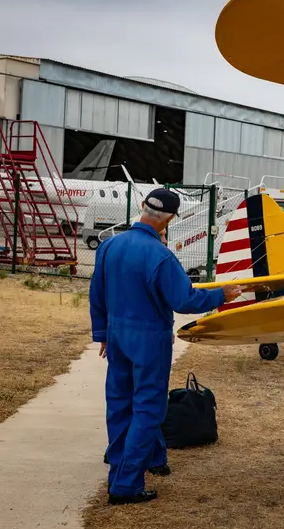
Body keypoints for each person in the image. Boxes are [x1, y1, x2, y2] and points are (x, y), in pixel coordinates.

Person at [89, 188, 242, 505]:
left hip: (117, 336)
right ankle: (127, 485)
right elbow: (184, 299)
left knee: (119, 406)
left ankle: (124, 470)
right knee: (148, 409)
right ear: (170, 219)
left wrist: (103, 333)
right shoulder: (160, 256)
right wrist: (221, 295)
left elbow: (97, 294)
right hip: (149, 340)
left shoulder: (110, 246)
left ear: (143, 207)